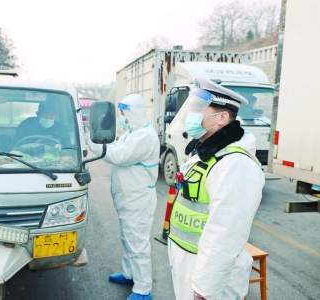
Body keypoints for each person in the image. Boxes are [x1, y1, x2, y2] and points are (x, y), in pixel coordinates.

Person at [166, 77, 265, 300]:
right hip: (189, 263)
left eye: (198, 109)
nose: (191, 116)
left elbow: (225, 234)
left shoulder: (235, 165)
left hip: (212, 283)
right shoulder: (205, 152)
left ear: (222, 117)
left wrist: (204, 291)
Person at [87, 94, 160, 300]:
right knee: (127, 238)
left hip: (137, 199)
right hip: (128, 198)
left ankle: (143, 289)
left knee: (137, 242)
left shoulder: (145, 136)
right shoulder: (133, 133)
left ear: (134, 112)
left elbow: (118, 155)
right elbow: (118, 147)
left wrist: (90, 141)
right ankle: (130, 274)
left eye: (124, 113)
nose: (122, 117)